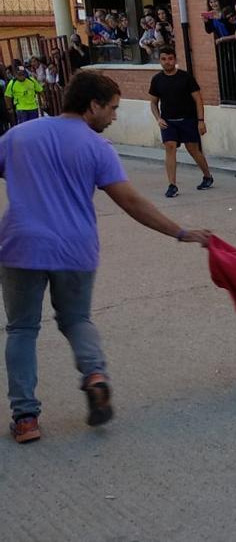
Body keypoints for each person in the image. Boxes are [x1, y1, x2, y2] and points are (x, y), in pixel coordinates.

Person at [0, 71, 213, 444]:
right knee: (76, 319)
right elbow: (130, 201)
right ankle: (95, 376)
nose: (114, 117)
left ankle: (26, 418)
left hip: (20, 246)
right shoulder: (97, 148)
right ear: (92, 106)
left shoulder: (18, 136)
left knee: (21, 329)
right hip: (75, 249)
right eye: (112, 109)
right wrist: (179, 232)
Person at [148, 47, 214, 197]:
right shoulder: (157, 80)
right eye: (164, 59)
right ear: (160, 61)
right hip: (168, 122)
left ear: (175, 59)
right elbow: (153, 102)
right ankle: (172, 185)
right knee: (170, 148)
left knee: (193, 150)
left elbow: (198, 99)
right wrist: (158, 118)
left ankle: (207, 176)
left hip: (188, 120)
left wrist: (201, 121)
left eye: (170, 59)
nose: (167, 62)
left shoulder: (186, 77)